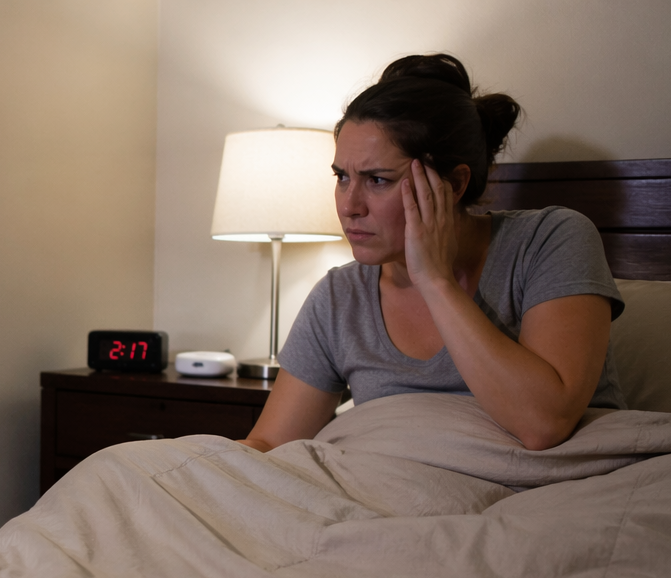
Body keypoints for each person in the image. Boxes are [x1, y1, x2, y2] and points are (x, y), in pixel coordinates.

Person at [241, 54, 624, 454]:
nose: (349, 205)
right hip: (399, 496)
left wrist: (436, 281)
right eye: (342, 177)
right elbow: (269, 444)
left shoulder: (551, 240)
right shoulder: (341, 296)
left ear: (455, 183)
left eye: (377, 180)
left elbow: (544, 424)